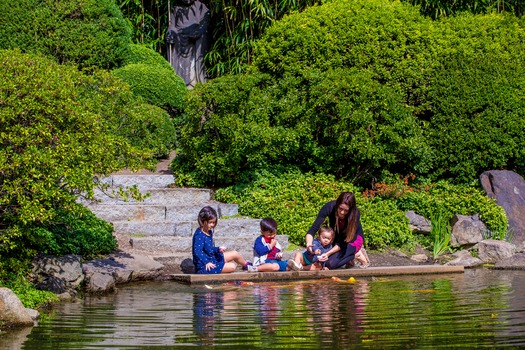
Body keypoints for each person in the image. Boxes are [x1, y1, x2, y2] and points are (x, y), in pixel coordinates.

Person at [303, 192, 369, 270]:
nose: (342, 212)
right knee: (322, 260)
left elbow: (343, 242)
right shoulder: (329, 207)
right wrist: (309, 245)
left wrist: (328, 253)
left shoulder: (355, 213)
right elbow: (312, 230)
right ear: (337, 204)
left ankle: (356, 254)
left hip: (353, 240)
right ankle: (348, 259)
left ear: (350, 210)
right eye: (340, 208)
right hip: (338, 237)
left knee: (330, 264)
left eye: (346, 210)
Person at [192, 206, 252, 274]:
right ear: (203, 221)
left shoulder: (209, 232)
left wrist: (218, 249)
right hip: (205, 266)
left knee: (235, 254)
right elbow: (197, 251)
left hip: (212, 259)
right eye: (210, 222)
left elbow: (208, 249)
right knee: (232, 266)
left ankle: (247, 266)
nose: (212, 225)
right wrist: (206, 262)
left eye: (214, 222)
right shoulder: (199, 235)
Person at [166, 0, 210, 88]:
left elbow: (204, 25)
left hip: (194, 39)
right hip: (179, 39)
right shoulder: (177, 8)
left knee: (200, 43)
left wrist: (196, 33)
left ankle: (194, 80)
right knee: (172, 39)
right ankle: (177, 80)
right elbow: (171, 25)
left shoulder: (201, 7)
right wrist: (171, 32)